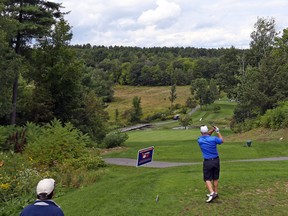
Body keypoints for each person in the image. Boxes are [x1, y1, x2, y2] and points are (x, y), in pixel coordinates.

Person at [198, 125, 224, 203]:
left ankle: (212, 193)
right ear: (207, 131)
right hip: (216, 160)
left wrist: (212, 130)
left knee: (207, 178)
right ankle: (215, 193)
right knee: (215, 177)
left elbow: (206, 134)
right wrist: (217, 131)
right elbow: (221, 140)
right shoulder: (214, 139)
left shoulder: (200, 140)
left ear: (201, 132)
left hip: (208, 161)